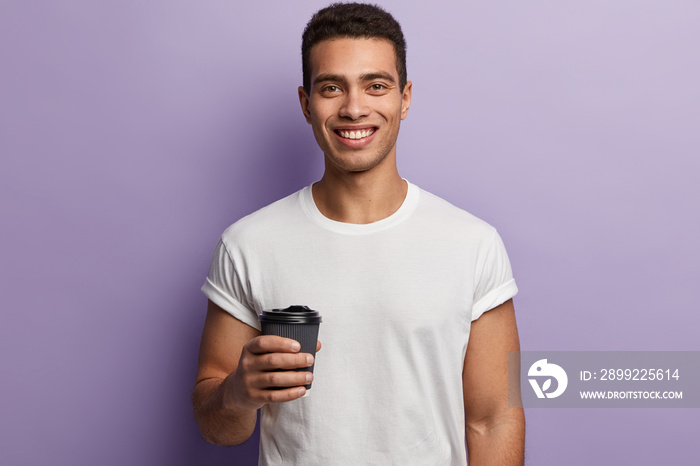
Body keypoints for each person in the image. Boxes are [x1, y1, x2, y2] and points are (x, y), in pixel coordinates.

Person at [192, 3, 525, 465]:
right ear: (307, 104)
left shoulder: (472, 244)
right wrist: (236, 393)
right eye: (332, 87)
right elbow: (215, 426)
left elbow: (494, 420)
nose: (354, 107)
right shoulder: (248, 245)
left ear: (404, 98)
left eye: (376, 85)